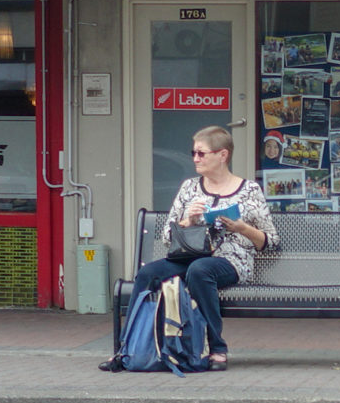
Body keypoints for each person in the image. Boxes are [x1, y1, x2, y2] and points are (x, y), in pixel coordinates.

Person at [99, 126, 278, 372]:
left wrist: (241, 228)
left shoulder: (249, 191)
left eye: (201, 153)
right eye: (193, 152)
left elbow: (271, 242)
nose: (195, 158)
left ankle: (217, 348)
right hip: (189, 255)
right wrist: (187, 221)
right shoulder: (189, 188)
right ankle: (126, 347)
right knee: (148, 273)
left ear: (223, 155)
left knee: (200, 270)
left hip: (231, 261)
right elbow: (166, 236)